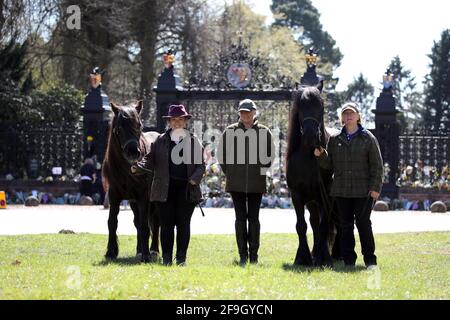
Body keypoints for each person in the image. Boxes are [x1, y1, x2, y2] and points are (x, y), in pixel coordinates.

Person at [131, 104, 205, 266]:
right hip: (164, 190)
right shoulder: (160, 141)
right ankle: (166, 259)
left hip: (187, 190)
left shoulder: (193, 141)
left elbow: (201, 165)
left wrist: (194, 178)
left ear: (185, 121)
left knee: (183, 225)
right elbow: (149, 160)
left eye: (180, 119)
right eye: (174, 120)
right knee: (166, 225)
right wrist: (138, 166)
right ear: (169, 122)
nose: (177, 122)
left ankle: (181, 259)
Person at [314, 102, 383, 269]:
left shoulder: (368, 138)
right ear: (341, 118)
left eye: (351, 113)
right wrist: (321, 155)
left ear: (358, 116)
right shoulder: (335, 139)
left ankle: (370, 260)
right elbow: (329, 165)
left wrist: (375, 189)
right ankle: (348, 260)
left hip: (363, 191)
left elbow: (377, 165)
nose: (348, 116)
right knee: (345, 227)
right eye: (345, 114)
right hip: (341, 191)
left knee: (363, 224)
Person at [218, 99, 274, 265]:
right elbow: (222, 156)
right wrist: (231, 173)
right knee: (240, 219)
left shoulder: (264, 132)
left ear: (255, 113)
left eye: (249, 112)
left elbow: (269, 156)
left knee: (254, 219)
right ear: (239, 113)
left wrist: (261, 174)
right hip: (236, 184)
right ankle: (243, 255)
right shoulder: (230, 131)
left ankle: (254, 256)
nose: (246, 115)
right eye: (243, 112)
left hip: (257, 184)